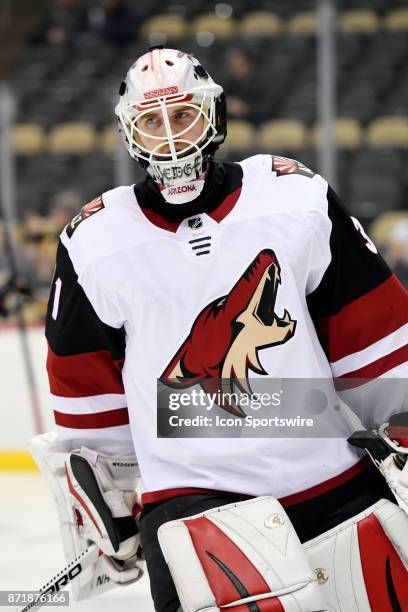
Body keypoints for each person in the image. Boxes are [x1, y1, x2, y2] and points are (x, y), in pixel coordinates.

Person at [42, 47, 408, 610]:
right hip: (192, 502)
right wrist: (108, 497)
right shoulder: (94, 240)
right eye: (151, 121)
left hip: (331, 476)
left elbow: (372, 335)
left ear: (213, 115)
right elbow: (86, 385)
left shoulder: (294, 197)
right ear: (129, 132)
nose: (169, 136)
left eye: (183, 115)